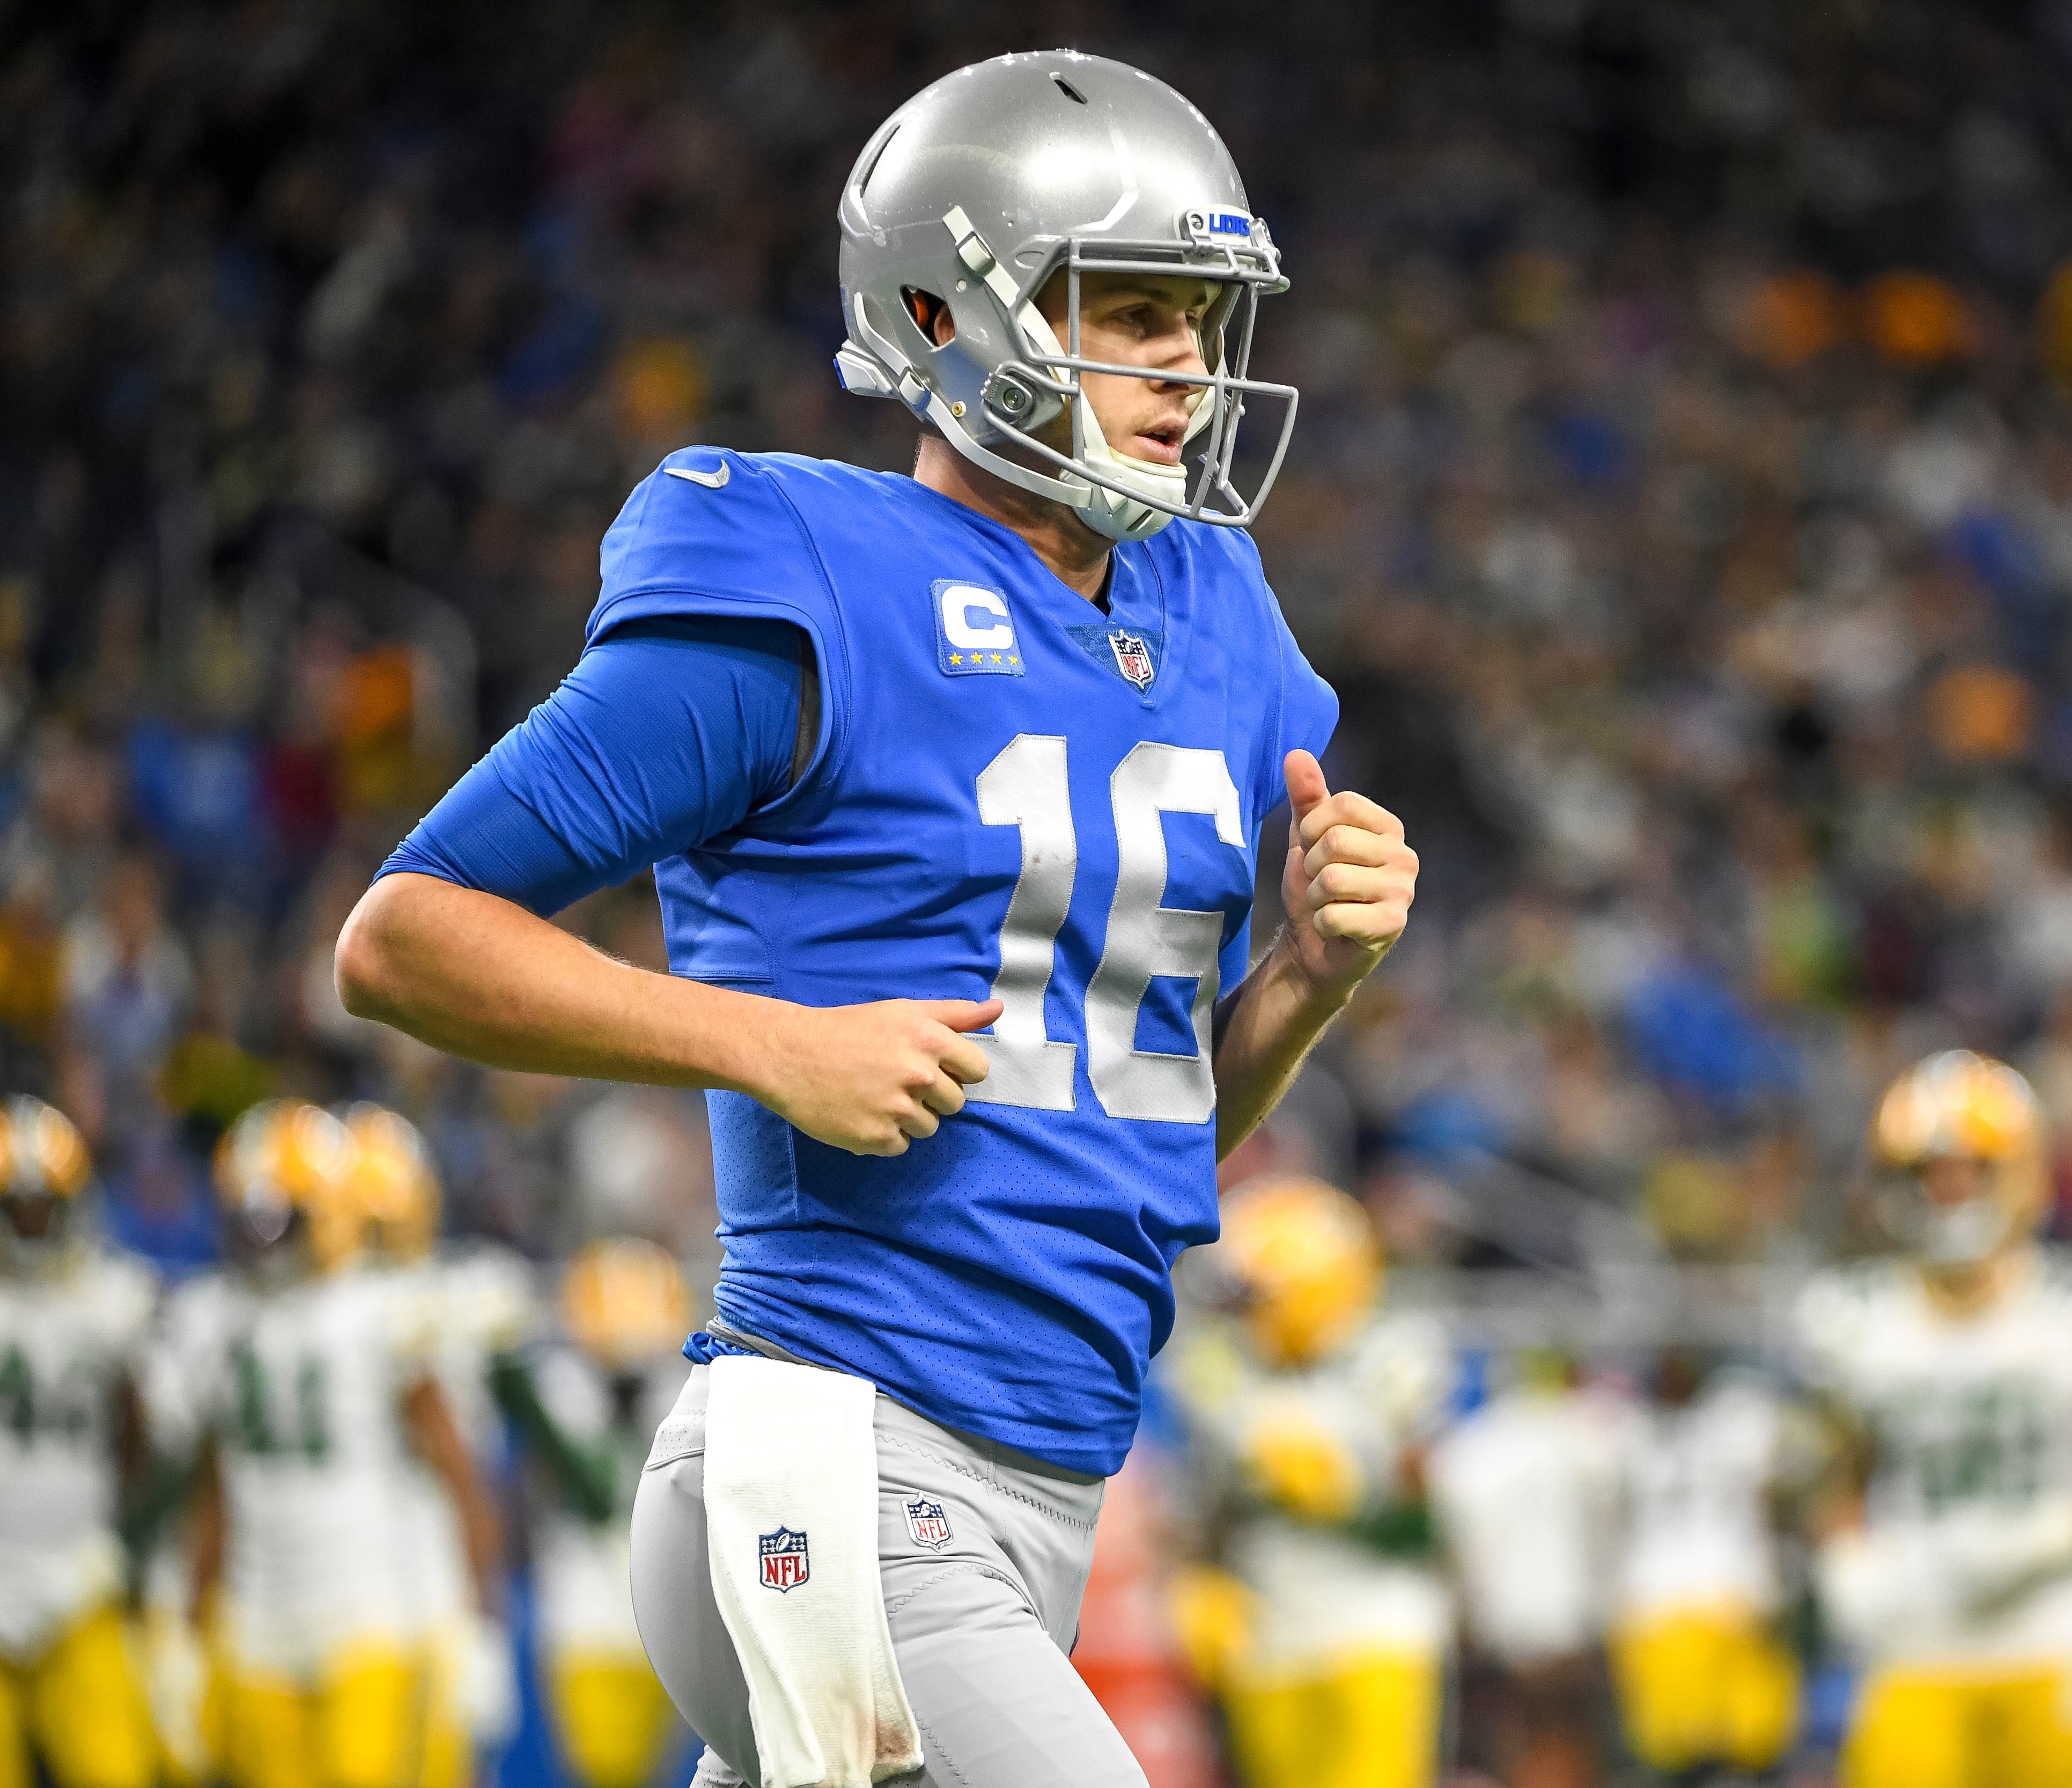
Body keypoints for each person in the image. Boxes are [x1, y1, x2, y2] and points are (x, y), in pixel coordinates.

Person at [329, 48, 1416, 1788]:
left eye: (1199, 320)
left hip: (1041, 1484)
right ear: (943, 312)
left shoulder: (1214, 611)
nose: (1185, 368)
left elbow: (1149, 1112)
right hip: (837, 1464)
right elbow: (405, 933)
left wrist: (1311, 974)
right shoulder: (820, 576)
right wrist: (766, 1043)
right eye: (1126, 311)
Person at [1794, 1050, 2072, 1788]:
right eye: (1929, 1170)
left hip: (2054, 1641)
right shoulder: (1854, 1318)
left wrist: (2057, 1537)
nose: (1949, 1190)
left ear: (2016, 1171)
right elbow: (1836, 1474)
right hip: (1918, 1644)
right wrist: (1845, 1564)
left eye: (1972, 1168)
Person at [156, 1101, 500, 1788]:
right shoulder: (216, 1319)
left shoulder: (381, 1312)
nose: (262, 1239)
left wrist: (475, 1621)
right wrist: (192, 1629)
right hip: (257, 1616)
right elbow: (214, 1488)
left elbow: (460, 1477)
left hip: (366, 1612)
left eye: (280, 1217)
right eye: (250, 1219)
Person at [1168, 1175, 1450, 1788]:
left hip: (1372, 1629)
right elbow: (1205, 1509)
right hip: (1268, 1639)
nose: (1243, 1311)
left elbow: (1429, 1528)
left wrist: (1346, 1507)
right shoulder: (1219, 1372)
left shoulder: (1396, 1361)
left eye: (1257, 1294)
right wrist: (1200, 1577)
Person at [344, 1103, 527, 1788]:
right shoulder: (345, 1309)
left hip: (435, 1555)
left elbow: (470, 1475)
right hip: (366, 1559)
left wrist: (484, 1613)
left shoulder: (460, 1291)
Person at [0, 1095, 163, 1788]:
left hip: (77, 1580)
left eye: (45, 1205)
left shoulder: (113, 1299)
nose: (33, 1223)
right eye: (18, 1206)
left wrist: (121, 1542)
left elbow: (141, 1437)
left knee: (115, 1770)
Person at [492, 1238, 696, 1788]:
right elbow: (594, 1489)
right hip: (584, 1610)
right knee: (605, 1770)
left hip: (666, 1615)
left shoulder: (686, 1388)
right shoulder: (556, 1384)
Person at [1604, 1345, 1804, 1782]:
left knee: (1701, 1750)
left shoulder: (1632, 1435)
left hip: (1676, 1598)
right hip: (1715, 1591)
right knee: (1726, 1749)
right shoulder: (1734, 1424)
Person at [1428, 1350, 1624, 1788]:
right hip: (1569, 1608)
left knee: (1533, 1722)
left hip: (1510, 1614)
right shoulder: (1587, 1431)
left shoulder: (1474, 1444)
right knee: (1563, 1723)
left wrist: (1467, 1610)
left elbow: (1459, 1536)